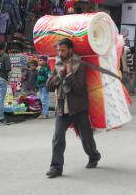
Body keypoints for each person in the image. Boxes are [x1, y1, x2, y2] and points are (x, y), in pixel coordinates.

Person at [45, 38, 101, 178]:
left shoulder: (80, 65)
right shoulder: (57, 64)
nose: (60, 53)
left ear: (71, 50)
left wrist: (69, 74)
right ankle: (56, 167)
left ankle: (94, 156)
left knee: (86, 137)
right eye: (58, 50)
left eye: (63, 50)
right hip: (62, 108)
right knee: (57, 137)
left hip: (79, 107)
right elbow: (48, 86)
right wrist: (60, 74)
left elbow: (79, 88)